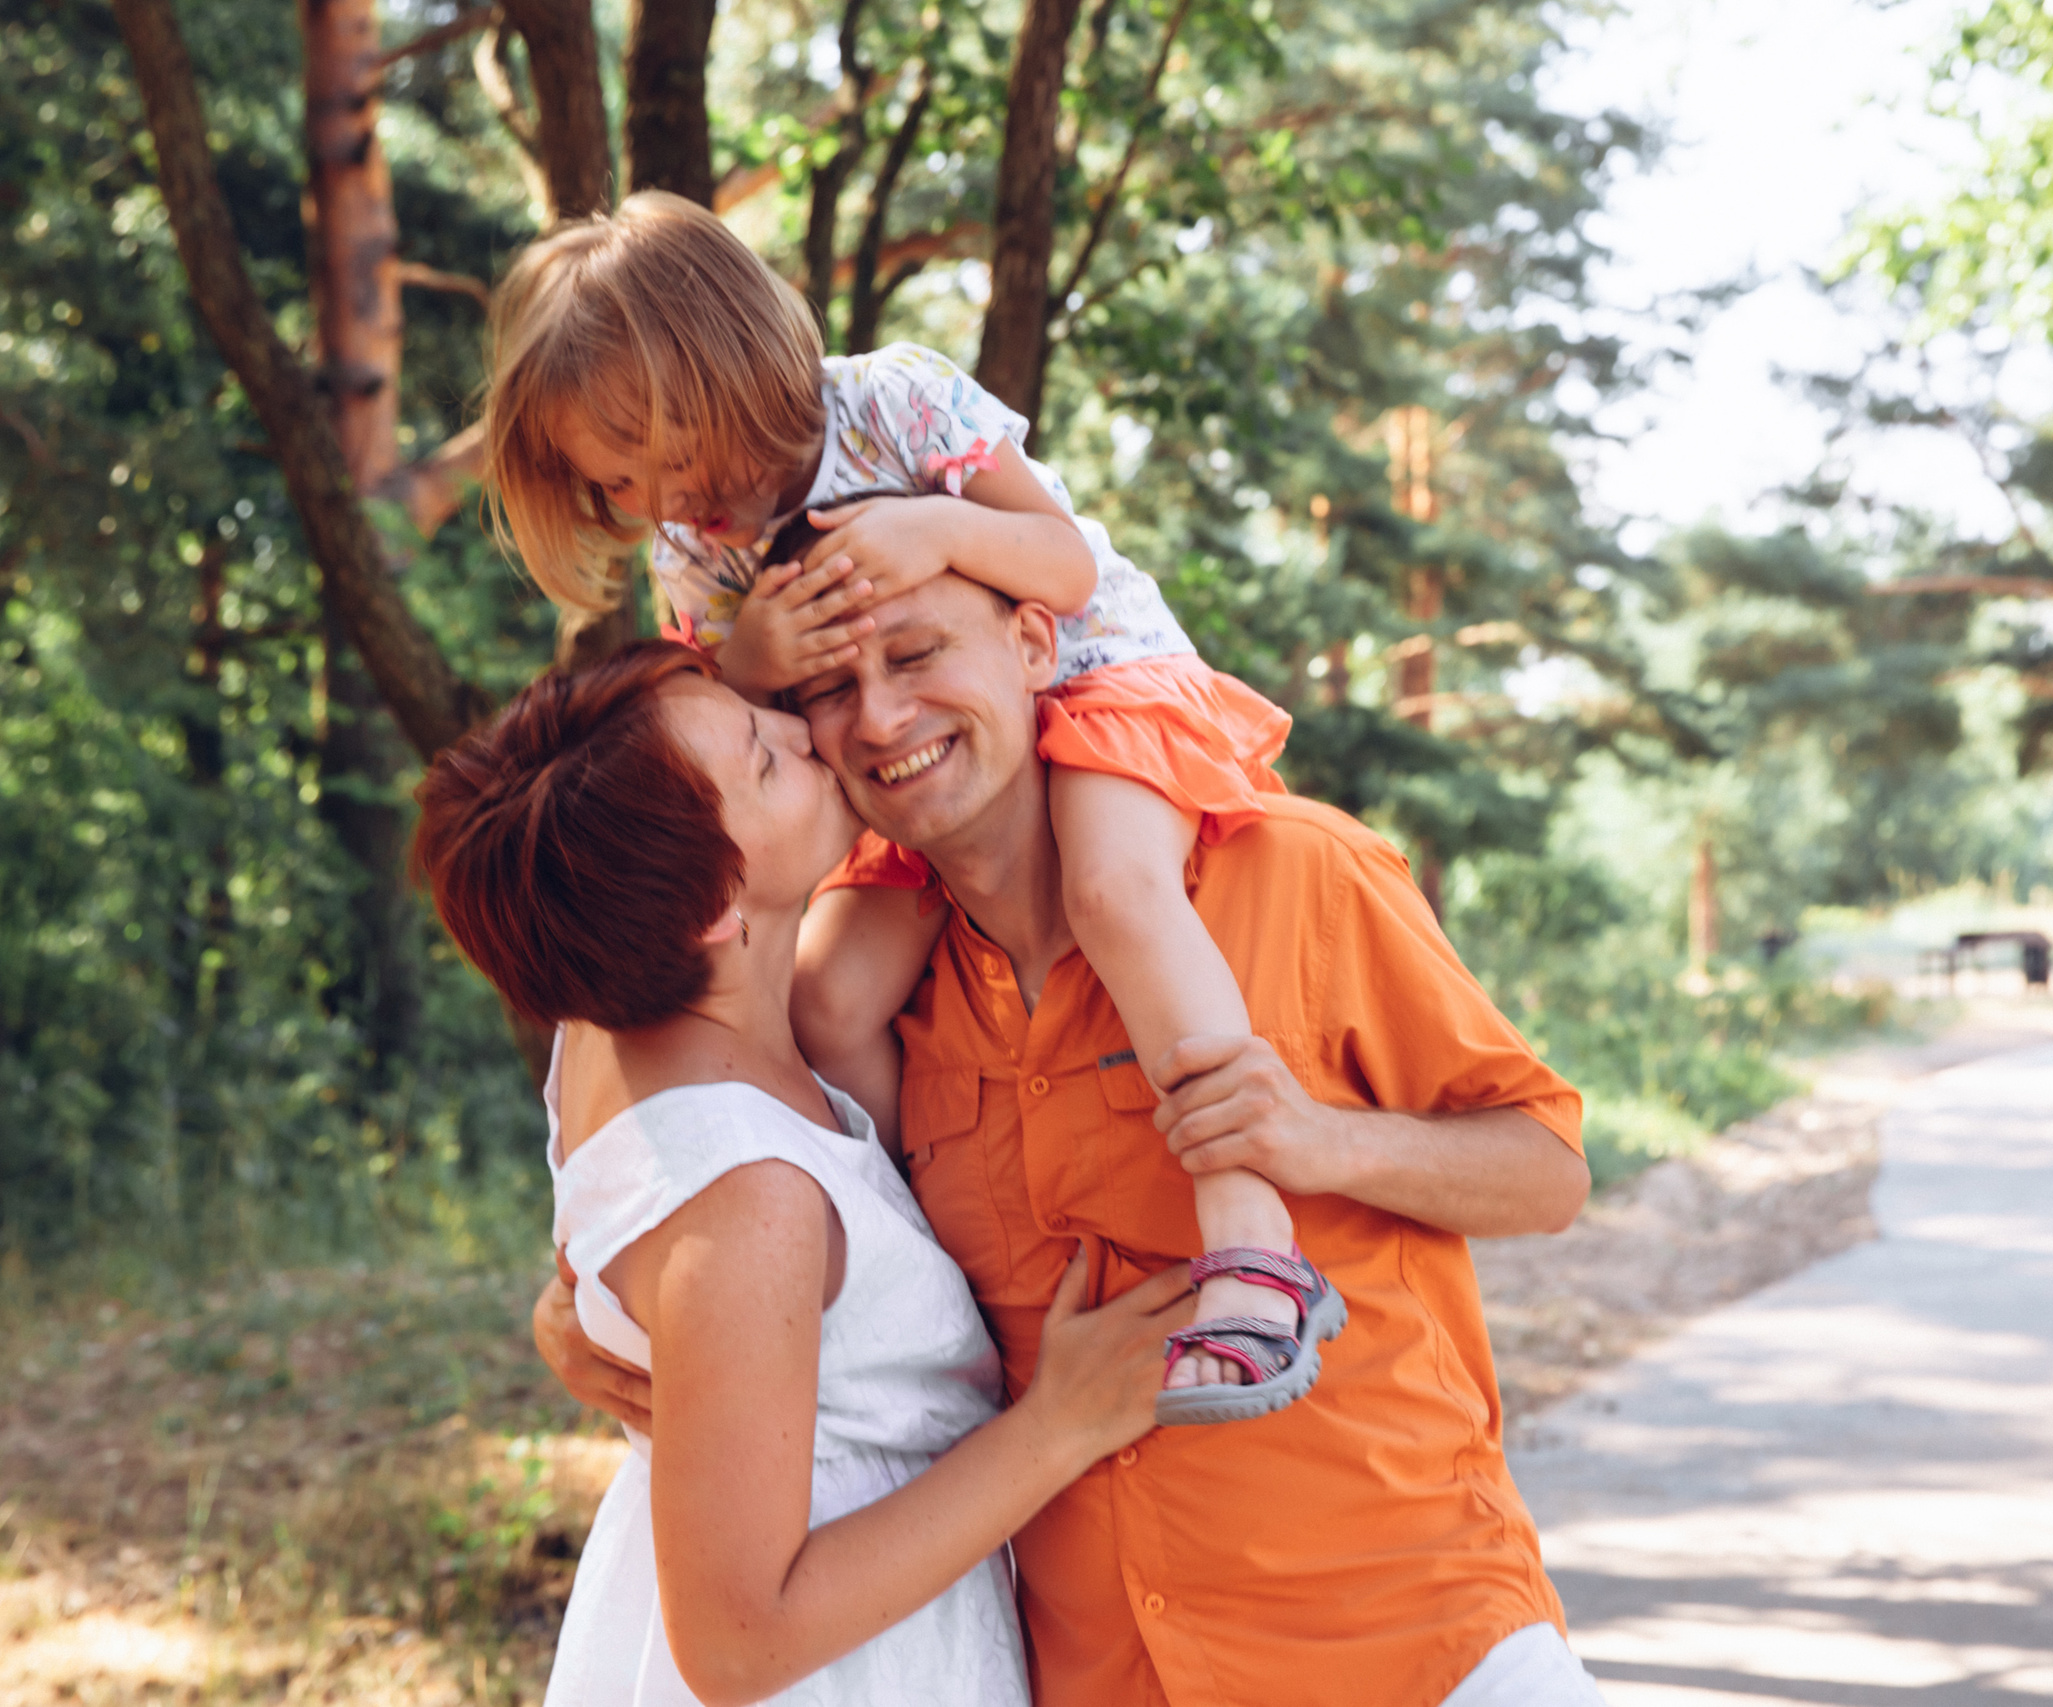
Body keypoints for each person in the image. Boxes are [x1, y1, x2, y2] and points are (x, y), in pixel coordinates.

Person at [537, 574, 1605, 1707]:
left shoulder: (1291, 870)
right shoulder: (856, 1006)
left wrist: (1325, 1144)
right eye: (833, 688)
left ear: (1034, 643)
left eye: (918, 654)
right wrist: (585, 1305)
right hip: (1099, 1674)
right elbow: (702, 1166)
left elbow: (1546, 1170)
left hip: (1415, 1645)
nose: (884, 717)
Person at [481, 192, 1310, 1411]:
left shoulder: (895, 405)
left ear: (730, 367)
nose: (661, 496)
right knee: (833, 993)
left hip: (1091, 683)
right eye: (621, 481)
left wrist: (936, 530)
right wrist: (753, 654)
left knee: (1116, 890)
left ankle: (1251, 1245)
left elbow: (1067, 567)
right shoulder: (696, 556)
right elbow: (734, 740)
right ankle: (924, 1267)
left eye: (668, 454)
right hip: (897, 767)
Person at [414, 643, 1193, 1706]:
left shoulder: (604, 1028)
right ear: (709, 910)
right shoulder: (753, 1199)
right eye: (766, 760)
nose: (804, 734)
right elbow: (737, 1644)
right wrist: (1061, 1424)